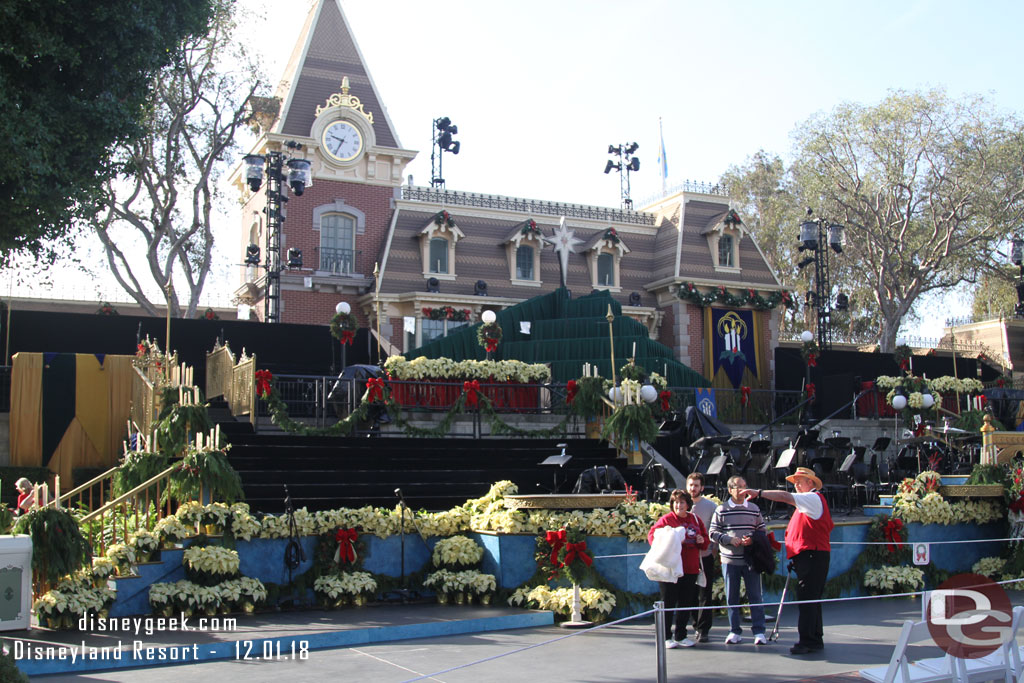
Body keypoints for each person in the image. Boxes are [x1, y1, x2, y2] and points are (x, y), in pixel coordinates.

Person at [742, 466, 834, 655]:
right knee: (811, 599)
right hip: (808, 555)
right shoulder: (807, 503)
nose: (797, 485)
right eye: (796, 482)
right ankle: (814, 637)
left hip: (812, 555)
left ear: (810, 483)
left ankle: (808, 640)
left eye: (800, 481)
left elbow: (784, 496)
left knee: (807, 599)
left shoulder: (812, 498)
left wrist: (759, 492)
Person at [708, 475, 767, 645]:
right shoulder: (721, 509)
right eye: (738, 487)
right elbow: (712, 533)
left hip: (750, 560)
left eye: (744, 486)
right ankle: (734, 631)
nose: (742, 490)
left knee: (755, 595)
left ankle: (759, 631)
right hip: (730, 560)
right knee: (731, 597)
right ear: (730, 490)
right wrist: (728, 540)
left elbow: (762, 530)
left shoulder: (754, 508)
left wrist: (753, 539)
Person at [648, 489, 709, 648]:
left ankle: (681, 635)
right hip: (670, 568)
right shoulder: (666, 520)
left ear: (688, 504)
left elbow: (705, 542)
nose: (678, 505)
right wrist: (671, 541)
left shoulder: (695, 519)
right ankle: (665, 636)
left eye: (682, 502)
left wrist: (701, 540)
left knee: (686, 602)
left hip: (690, 568)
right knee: (668, 602)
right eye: (675, 502)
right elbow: (652, 537)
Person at [686, 472, 717, 642]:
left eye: (696, 485)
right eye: (691, 485)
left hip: (705, 555)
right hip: (687, 557)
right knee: (690, 592)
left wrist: (714, 550)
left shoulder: (710, 506)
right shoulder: (681, 504)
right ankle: (694, 624)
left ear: (702, 488)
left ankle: (704, 629)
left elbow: (715, 530)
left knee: (705, 593)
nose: (693, 488)